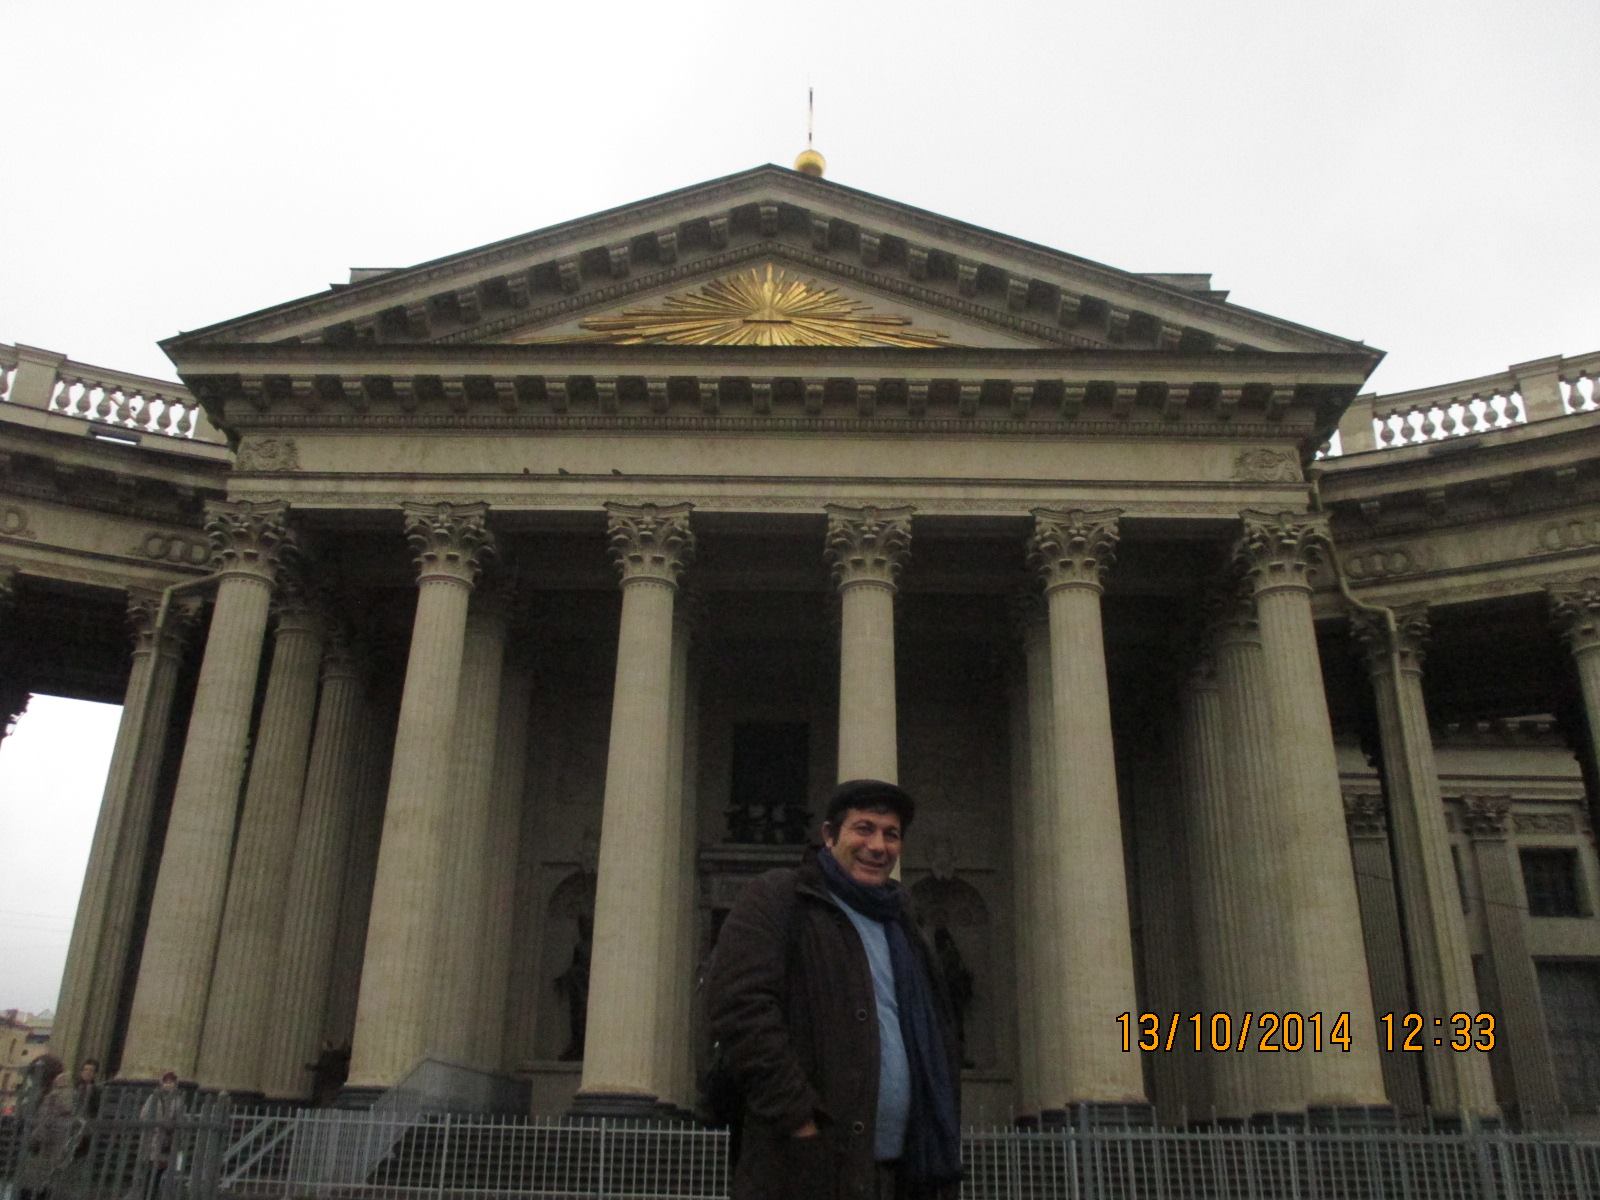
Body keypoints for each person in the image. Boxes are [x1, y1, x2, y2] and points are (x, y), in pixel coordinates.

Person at [707, 779, 963, 1200]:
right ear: (829, 835)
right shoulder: (780, 898)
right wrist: (801, 1123)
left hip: (901, 1173)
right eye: (864, 828)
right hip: (806, 1170)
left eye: (891, 834)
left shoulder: (904, 924)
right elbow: (741, 1011)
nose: (878, 846)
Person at [15, 1073, 73, 1200]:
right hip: (59, 1145)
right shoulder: (73, 1099)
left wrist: (34, 1139)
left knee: (32, 1179)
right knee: (48, 1180)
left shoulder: (53, 1097)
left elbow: (45, 1121)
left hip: (44, 1145)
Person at [136, 1072, 183, 1200]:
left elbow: (180, 1120)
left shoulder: (178, 1100)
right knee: (150, 1170)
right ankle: (147, 1195)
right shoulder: (154, 1097)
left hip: (167, 1141)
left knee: (160, 1170)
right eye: (166, 1082)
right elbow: (144, 1115)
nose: (168, 1085)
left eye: (171, 1082)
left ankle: (152, 1194)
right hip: (152, 1138)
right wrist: (158, 1124)